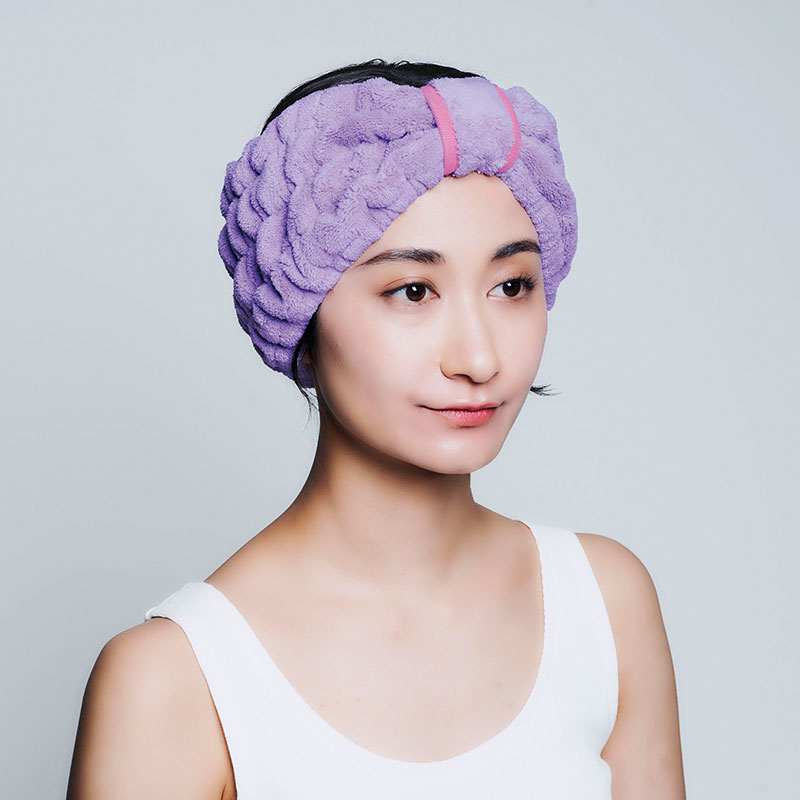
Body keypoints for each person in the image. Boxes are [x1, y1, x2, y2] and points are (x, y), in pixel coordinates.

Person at [66, 58, 686, 799]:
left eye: (511, 285)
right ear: (299, 310)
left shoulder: (606, 603)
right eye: (413, 290)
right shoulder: (174, 682)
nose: (480, 358)